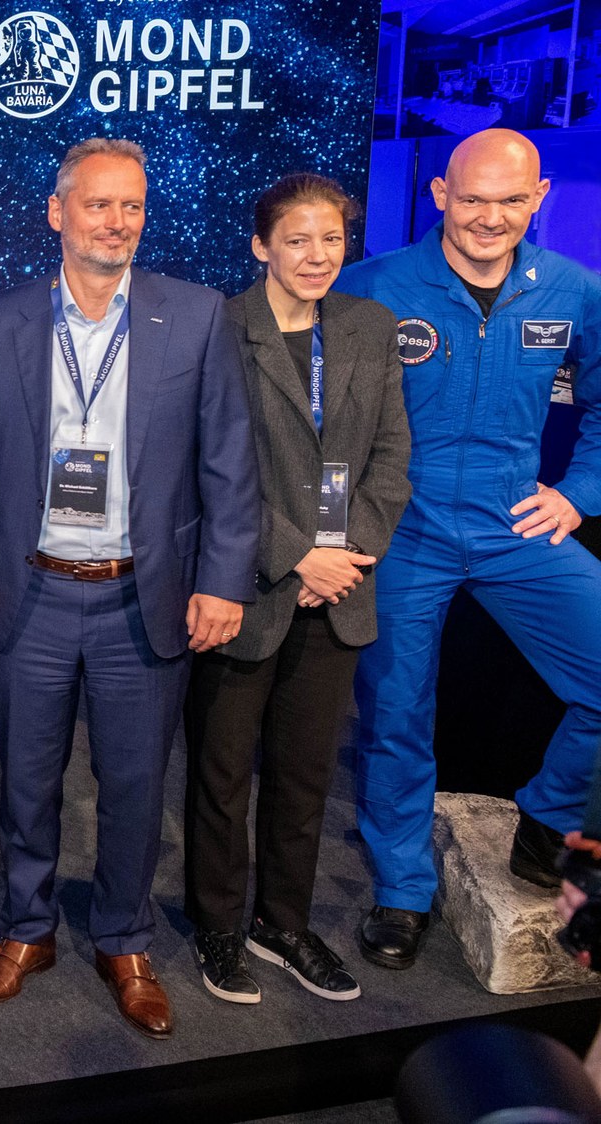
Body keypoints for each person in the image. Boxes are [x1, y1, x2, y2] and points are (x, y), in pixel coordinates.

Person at [0, 138, 258, 1040]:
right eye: (98, 204)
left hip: (141, 598)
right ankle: (26, 929)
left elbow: (230, 464)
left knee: (135, 783)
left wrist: (223, 580)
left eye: (132, 206)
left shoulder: (195, 316)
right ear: (57, 212)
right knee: (26, 779)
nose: (117, 223)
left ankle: (124, 939)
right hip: (30, 592)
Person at [335, 127, 601, 970]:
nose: (491, 218)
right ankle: (403, 890)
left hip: (511, 521)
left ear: (539, 198)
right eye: (474, 198)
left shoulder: (573, 290)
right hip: (403, 526)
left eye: (510, 200)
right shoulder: (373, 285)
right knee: (397, 715)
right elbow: (318, 417)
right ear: (441, 194)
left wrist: (579, 492)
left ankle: (546, 819)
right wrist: (335, 525)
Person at [182, 175, 412, 1007]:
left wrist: (346, 555)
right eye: (298, 240)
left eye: (332, 239)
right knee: (222, 775)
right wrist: (296, 556)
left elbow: (392, 456)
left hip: (339, 589)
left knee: (305, 775)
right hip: (245, 588)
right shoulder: (219, 328)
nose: (318, 256)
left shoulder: (369, 327)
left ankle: (281, 924)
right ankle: (216, 925)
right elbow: (204, 468)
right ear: (262, 246)